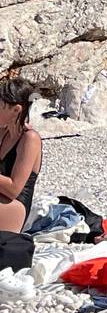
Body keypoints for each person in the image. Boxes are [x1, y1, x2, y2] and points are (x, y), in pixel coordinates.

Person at [0, 78, 42, 232]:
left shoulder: (30, 139)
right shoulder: (3, 133)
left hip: (15, 208)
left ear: (16, 110)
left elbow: (13, 189)